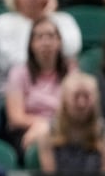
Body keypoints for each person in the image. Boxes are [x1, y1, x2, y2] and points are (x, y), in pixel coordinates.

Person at [0, 0, 82, 84]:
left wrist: (45, 18)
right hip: (17, 87)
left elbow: (71, 51)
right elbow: (11, 62)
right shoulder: (3, 22)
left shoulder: (64, 19)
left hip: (59, 85)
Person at [6, 17, 74, 150]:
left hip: (64, 128)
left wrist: (50, 126)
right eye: (39, 37)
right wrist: (43, 124)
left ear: (59, 42)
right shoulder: (18, 73)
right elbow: (16, 117)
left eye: (51, 36)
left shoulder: (71, 72)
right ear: (31, 44)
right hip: (27, 130)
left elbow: (76, 110)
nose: (46, 42)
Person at [36, 72, 105, 175]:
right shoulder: (47, 133)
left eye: (87, 97)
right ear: (64, 100)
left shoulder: (103, 132)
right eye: (76, 96)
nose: (81, 103)